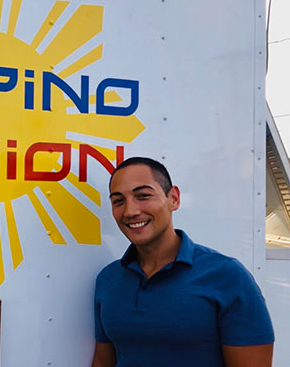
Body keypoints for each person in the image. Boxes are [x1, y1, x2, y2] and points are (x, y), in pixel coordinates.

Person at [91, 157, 274, 367]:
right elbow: (103, 361)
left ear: (174, 199)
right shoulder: (109, 279)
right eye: (118, 201)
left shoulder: (227, 276)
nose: (130, 211)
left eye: (143, 195)